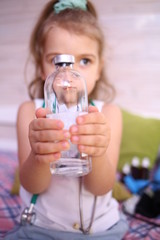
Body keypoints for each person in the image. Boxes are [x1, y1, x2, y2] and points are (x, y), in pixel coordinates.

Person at [5, 0, 128, 239]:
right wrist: (40, 154)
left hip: (99, 227)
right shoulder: (31, 111)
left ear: (99, 68)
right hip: (42, 226)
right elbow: (33, 186)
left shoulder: (108, 114)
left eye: (85, 61)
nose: (69, 74)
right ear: (42, 68)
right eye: (57, 61)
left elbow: (101, 187)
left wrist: (97, 151)